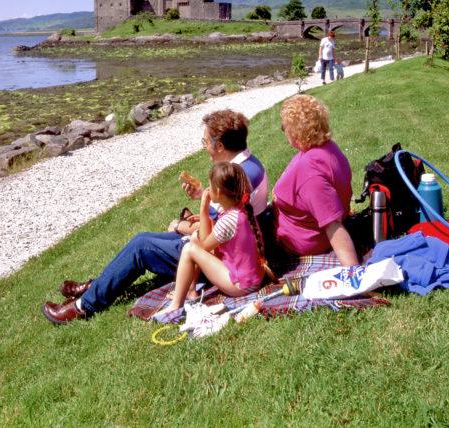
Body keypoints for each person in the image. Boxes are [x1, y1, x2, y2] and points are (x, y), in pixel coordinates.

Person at [42, 109, 269, 325]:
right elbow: (230, 216)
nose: (204, 148)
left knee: (141, 246)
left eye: (205, 142)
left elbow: (217, 232)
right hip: (229, 248)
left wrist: (183, 227)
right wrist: (202, 196)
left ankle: (84, 306)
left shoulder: (242, 176)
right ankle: (97, 286)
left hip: (223, 259)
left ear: (219, 145)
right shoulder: (247, 166)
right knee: (147, 239)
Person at [155, 162, 274, 318]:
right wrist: (207, 217)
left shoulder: (229, 220)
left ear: (217, 192)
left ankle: (175, 304)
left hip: (241, 285)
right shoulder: (241, 208)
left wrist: (204, 207)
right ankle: (190, 291)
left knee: (189, 248)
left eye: (210, 187)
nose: (208, 190)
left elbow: (204, 245)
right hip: (253, 276)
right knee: (195, 238)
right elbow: (209, 235)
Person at [273, 95, 358, 266]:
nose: (284, 131)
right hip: (297, 224)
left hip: (298, 243)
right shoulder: (327, 148)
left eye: (284, 127)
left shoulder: (310, 172)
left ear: (295, 131)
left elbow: (332, 225)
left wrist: (354, 273)